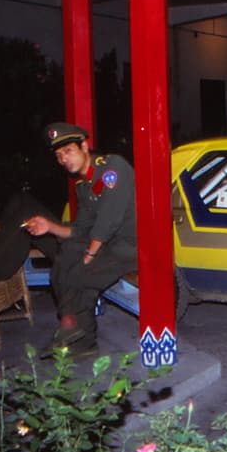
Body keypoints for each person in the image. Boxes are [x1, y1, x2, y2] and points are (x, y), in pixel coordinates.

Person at [23, 121, 137, 354]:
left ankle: (70, 327)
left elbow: (109, 219)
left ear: (84, 146)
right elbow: (79, 229)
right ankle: (81, 339)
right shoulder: (83, 187)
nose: (64, 159)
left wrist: (90, 254)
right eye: (59, 155)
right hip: (110, 246)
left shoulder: (112, 167)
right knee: (64, 259)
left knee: (79, 273)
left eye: (68, 151)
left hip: (133, 246)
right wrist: (49, 227)